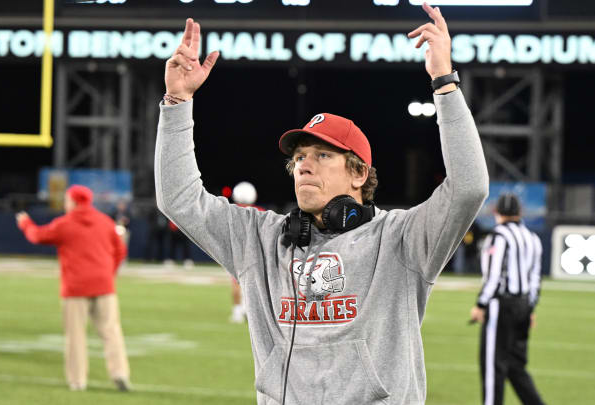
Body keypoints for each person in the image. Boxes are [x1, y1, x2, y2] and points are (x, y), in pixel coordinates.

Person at [156, 4, 488, 404]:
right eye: (298, 158)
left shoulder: (401, 239)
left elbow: (468, 187)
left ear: (359, 173)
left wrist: (444, 84)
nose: (304, 166)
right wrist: (177, 102)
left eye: (322, 155)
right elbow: (178, 199)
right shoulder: (260, 239)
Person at [15, 185, 130, 392]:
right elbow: (121, 250)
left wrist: (25, 224)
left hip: (75, 288)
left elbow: (36, 236)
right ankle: (119, 373)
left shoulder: (65, 224)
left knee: (75, 336)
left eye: (67, 200)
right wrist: (108, 273)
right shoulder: (104, 222)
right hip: (104, 286)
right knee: (112, 332)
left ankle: (78, 381)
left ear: (75, 202)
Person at [469, 193, 545, 405]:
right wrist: (530, 309)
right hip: (522, 306)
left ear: (497, 213)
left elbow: (494, 276)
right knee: (515, 366)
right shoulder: (532, 238)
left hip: (501, 306)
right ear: (519, 213)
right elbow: (535, 280)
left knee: (493, 366)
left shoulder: (498, 236)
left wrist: (480, 304)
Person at [229, 181, 265, 323]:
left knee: (236, 282)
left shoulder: (231, 211)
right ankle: (249, 310)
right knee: (256, 283)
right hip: (256, 252)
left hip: (238, 251)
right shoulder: (260, 212)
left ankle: (238, 311)